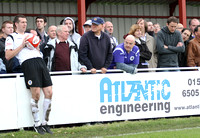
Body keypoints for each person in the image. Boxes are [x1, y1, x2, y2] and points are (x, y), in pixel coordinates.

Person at [5, 15, 53, 135]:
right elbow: (8, 56)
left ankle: (45, 122)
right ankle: (36, 124)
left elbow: (36, 48)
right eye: (22, 22)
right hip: (28, 63)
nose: (25, 24)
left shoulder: (30, 35)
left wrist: (35, 45)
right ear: (16, 24)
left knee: (49, 92)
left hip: (39, 61)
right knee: (36, 93)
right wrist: (22, 45)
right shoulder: (11, 37)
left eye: (26, 22)